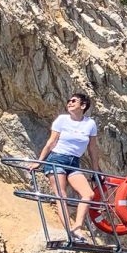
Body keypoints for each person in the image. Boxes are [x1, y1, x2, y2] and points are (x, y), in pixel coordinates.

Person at [28, 93, 101, 244]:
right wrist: (39, 161)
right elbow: (51, 142)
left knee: (88, 194)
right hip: (57, 159)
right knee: (61, 195)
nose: (69, 103)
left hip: (74, 162)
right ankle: (70, 230)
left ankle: (77, 226)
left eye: (74, 101)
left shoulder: (90, 123)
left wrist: (95, 170)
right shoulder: (62, 120)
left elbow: (92, 149)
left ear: (83, 105)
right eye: (68, 101)